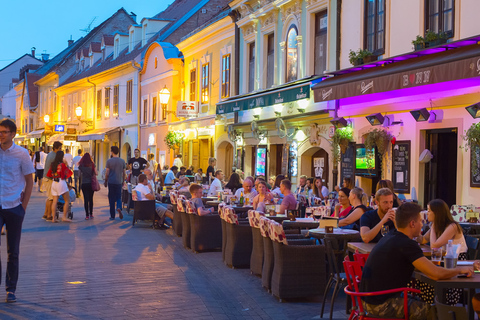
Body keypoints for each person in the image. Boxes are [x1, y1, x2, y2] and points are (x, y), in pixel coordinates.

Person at [360, 202, 473, 320]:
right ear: (412, 224)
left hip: (368, 300)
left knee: (426, 303)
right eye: (420, 221)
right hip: (380, 305)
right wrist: (460, 270)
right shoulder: (406, 244)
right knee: (442, 313)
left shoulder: (391, 236)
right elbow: (436, 274)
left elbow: (424, 267)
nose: (422, 224)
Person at [0, 119, 34, 303]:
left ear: (13, 134)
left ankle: (11, 289)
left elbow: (30, 181)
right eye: (0, 131)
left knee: (13, 251)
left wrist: (23, 207)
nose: (1, 134)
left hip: (14, 206)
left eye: (5, 132)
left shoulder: (22, 154)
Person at [416, 199, 468, 305]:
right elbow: (423, 240)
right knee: (423, 275)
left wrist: (433, 225)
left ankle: (437, 306)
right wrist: (411, 233)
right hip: (443, 260)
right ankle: (428, 305)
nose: (427, 213)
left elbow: (434, 245)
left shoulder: (452, 226)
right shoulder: (437, 225)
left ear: (437, 213)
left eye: (429, 210)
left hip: (455, 261)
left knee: (428, 274)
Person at [46, 151, 73, 222]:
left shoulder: (52, 164)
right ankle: (64, 217)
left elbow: (49, 174)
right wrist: (66, 164)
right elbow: (68, 173)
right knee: (67, 200)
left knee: (55, 201)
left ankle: (53, 218)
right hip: (61, 182)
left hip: (54, 183)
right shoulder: (62, 165)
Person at [104, 146, 126, 220]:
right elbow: (124, 173)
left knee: (111, 198)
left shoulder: (109, 161)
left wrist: (106, 181)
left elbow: (107, 172)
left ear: (112, 152)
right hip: (119, 181)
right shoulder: (122, 161)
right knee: (118, 197)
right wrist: (123, 181)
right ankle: (119, 207)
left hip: (111, 181)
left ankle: (112, 215)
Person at [43, 141, 62, 221]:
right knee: (51, 198)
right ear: (56, 148)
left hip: (46, 177)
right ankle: (49, 215)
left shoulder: (50, 154)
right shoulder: (54, 156)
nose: (61, 149)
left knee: (49, 197)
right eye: (60, 148)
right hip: (49, 178)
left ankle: (45, 214)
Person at [78, 153, 96, 220]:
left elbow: (79, 175)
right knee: (91, 199)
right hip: (91, 183)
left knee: (85, 199)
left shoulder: (81, 165)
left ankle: (87, 215)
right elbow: (95, 173)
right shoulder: (92, 164)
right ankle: (91, 214)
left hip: (84, 183)